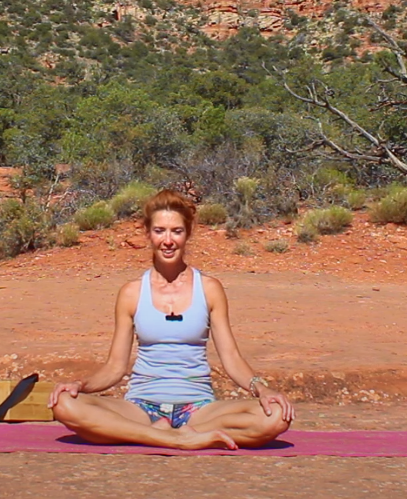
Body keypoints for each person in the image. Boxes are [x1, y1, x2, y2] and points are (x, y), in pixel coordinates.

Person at [48, 189, 294, 450]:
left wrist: (262, 389)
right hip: (140, 407)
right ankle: (175, 438)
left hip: (199, 410)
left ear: (187, 234)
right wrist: (80, 385)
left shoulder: (209, 289)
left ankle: (167, 433)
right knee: (63, 403)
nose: (168, 240)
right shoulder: (131, 293)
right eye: (159, 231)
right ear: (148, 234)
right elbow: (115, 368)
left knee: (277, 416)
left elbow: (231, 358)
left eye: (176, 231)